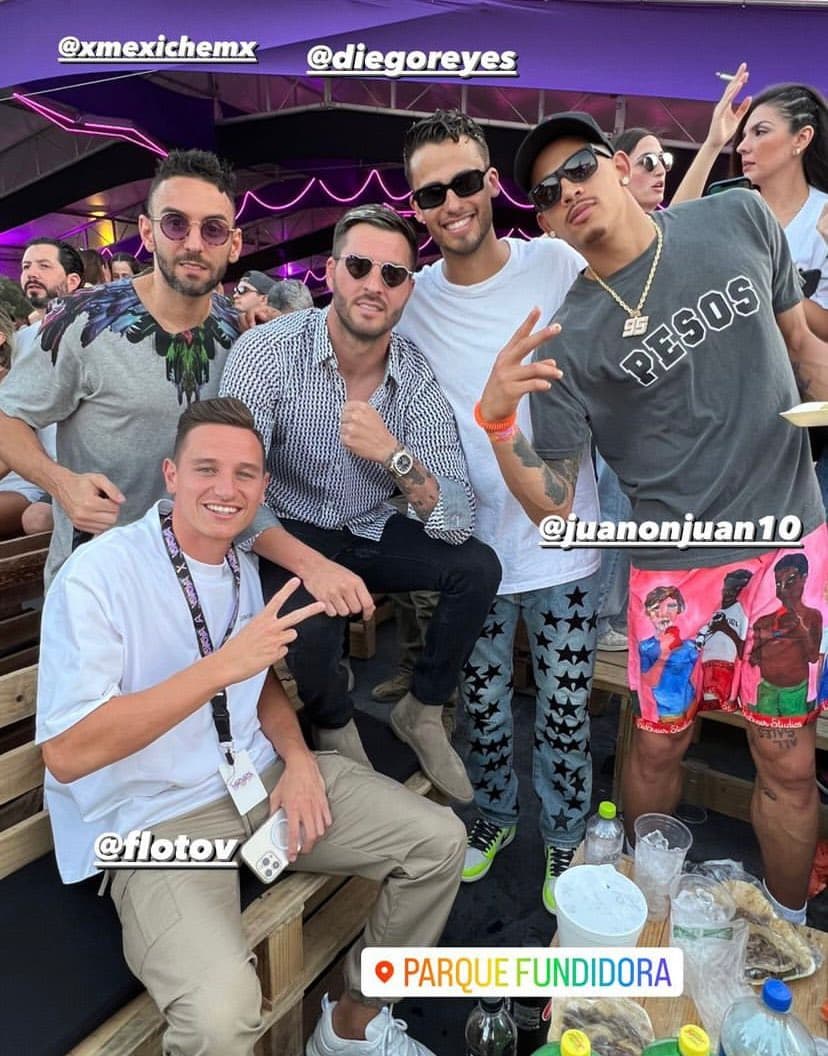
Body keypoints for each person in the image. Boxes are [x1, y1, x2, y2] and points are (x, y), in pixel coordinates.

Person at [478, 109, 828, 923]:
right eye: (545, 192)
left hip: (787, 546)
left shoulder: (737, 215)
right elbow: (554, 501)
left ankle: (791, 929)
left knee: (783, 753)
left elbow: (801, 346)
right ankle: (642, 914)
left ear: (619, 166)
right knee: (660, 737)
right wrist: (498, 425)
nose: (567, 192)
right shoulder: (569, 332)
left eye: (579, 169)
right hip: (672, 564)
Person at [36, 396, 463, 1056]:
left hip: (258, 781)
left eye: (245, 474)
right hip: (151, 822)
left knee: (439, 842)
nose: (226, 489)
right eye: (206, 469)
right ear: (172, 475)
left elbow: (257, 681)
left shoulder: (238, 564)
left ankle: (351, 1023)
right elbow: (66, 753)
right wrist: (220, 666)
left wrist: (295, 762)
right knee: (220, 1015)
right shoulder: (100, 573)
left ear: (264, 488)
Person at [220, 203, 501, 804]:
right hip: (286, 526)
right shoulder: (268, 352)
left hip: (368, 526)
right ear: (331, 271)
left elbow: (456, 521)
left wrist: (395, 455)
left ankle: (421, 711)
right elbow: (236, 494)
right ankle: (334, 723)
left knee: (477, 569)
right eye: (359, 266)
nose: (375, 284)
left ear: (407, 291)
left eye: (393, 275)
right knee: (313, 625)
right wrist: (314, 566)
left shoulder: (415, 377)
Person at [400, 109, 600, 909]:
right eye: (429, 193)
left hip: (565, 540)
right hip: (470, 549)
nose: (450, 203)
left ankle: (563, 837)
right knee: (479, 705)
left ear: (490, 184)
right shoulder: (408, 298)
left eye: (463, 182)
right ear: (415, 205)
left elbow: (646, 251)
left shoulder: (553, 262)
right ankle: (494, 817)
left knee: (563, 711)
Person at [0, 148, 245, 584]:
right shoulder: (81, 320)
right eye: (175, 223)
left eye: (212, 229)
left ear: (234, 243)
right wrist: (59, 483)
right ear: (148, 233)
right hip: (99, 581)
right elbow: (7, 415)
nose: (193, 243)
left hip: (203, 579)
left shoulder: (240, 331)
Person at [735, 82, 828, 511]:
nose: (743, 146)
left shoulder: (824, 217)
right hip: (738, 412)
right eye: (742, 135)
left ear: (801, 139)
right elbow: (667, 243)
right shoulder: (731, 212)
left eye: (760, 132)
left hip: (813, 418)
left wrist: (772, 285)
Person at [695, 569, 753, 707]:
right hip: (704, 666)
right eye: (727, 587)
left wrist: (726, 629)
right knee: (703, 704)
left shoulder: (742, 612)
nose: (729, 592)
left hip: (725, 667)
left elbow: (743, 650)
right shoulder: (714, 609)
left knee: (716, 706)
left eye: (735, 589)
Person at [19, 237, 84, 324]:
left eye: (44, 266)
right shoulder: (19, 336)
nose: (31, 274)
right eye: (26, 266)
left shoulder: (95, 329)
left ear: (72, 281)